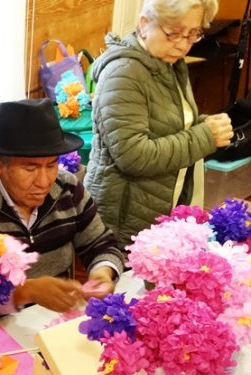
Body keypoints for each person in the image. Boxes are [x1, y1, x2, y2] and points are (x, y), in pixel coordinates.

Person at [0, 98, 125, 313]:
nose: (44, 181)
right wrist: (24, 292)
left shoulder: (67, 187)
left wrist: (102, 272)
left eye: (51, 165)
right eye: (30, 169)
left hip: (55, 319)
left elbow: (101, 243)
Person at [84, 0, 234, 251]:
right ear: (144, 24)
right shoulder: (124, 73)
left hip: (156, 207)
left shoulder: (168, 62)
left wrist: (201, 123)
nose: (182, 44)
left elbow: (165, 125)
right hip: (123, 219)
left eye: (193, 33)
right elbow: (133, 155)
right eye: (173, 33)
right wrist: (204, 136)